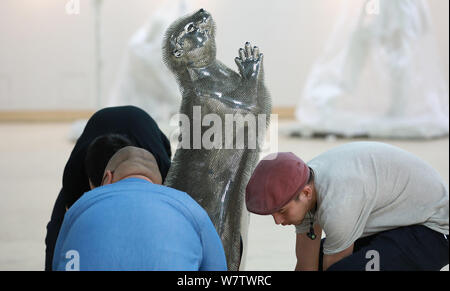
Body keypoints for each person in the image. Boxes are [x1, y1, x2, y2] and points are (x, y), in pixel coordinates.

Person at [245, 142, 449, 271]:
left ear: (306, 193)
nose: (278, 221)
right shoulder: (304, 182)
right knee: (318, 258)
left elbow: (337, 265)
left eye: (281, 211)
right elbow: (306, 265)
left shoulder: (338, 204)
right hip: (400, 222)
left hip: (434, 231)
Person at [52, 146, 227, 271]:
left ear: (107, 177)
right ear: (159, 184)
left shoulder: (81, 207)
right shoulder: (189, 208)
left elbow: (57, 262)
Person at [45, 105, 172, 271]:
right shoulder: (74, 178)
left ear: (110, 179)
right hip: (101, 128)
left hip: (144, 129)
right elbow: (58, 233)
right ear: (90, 183)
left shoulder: (159, 171)